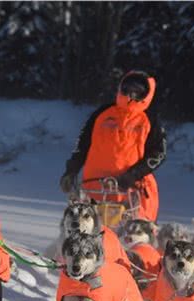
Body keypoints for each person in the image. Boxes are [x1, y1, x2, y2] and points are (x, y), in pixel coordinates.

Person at [59, 70, 166, 222]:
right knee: (86, 231)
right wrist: (71, 170)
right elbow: (82, 145)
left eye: (137, 92)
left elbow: (159, 153)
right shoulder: (102, 114)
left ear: (146, 95)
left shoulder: (150, 120)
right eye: (128, 89)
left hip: (130, 191)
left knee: (134, 236)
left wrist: (133, 174)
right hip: (94, 187)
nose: (131, 95)